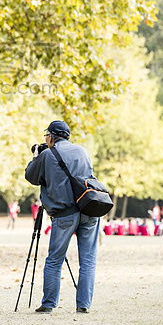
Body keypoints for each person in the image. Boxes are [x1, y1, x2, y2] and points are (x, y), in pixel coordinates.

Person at [25, 120, 100, 314]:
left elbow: (31, 177)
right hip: (89, 209)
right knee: (88, 260)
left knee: (54, 260)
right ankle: (83, 305)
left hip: (65, 214)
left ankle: (49, 304)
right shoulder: (83, 151)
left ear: (50, 136)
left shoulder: (47, 155)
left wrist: (36, 156)